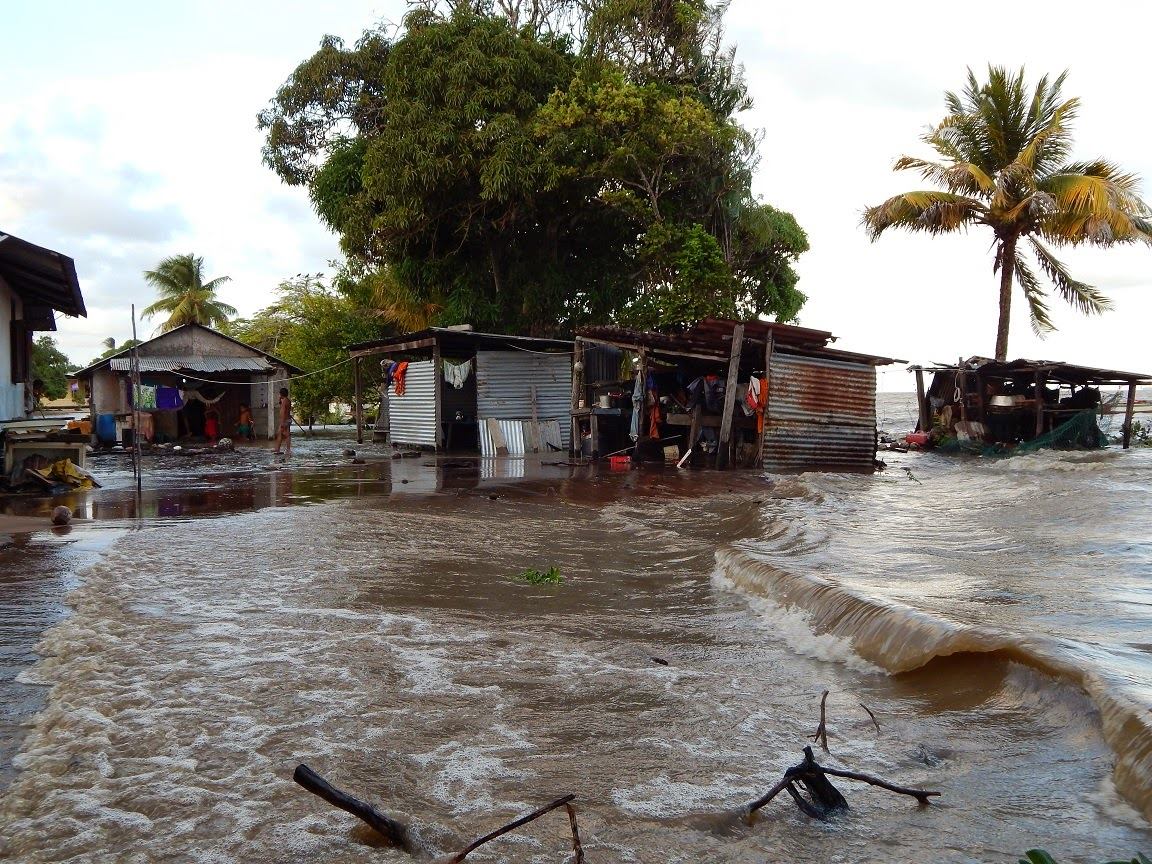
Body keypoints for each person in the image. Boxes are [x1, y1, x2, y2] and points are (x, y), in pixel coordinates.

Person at [273, 387, 292, 456]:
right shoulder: (287, 400)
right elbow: (282, 407)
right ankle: (278, 449)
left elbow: (283, 412)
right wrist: (279, 400)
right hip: (287, 420)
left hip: (285, 420)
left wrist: (282, 422)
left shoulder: (284, 401)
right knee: (282, 434)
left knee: (285, 434)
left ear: (281, 394)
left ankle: (285, 449)